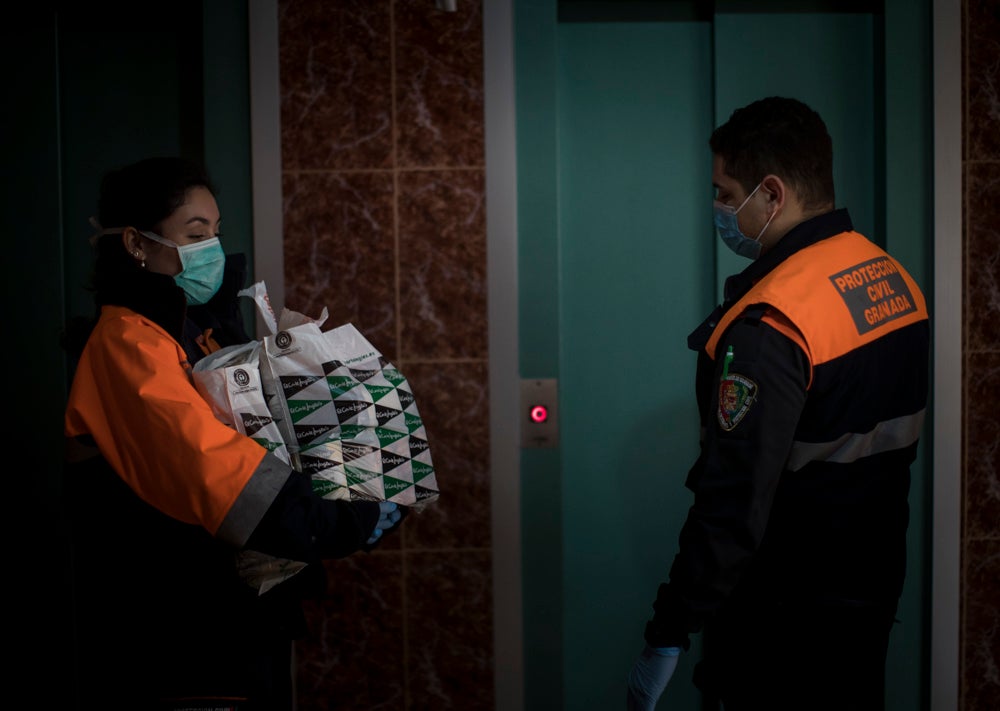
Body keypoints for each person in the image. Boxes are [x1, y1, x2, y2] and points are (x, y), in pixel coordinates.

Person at [63, 156, 405, 711]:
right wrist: (345, 519)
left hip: (240, 617)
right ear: (135, 244)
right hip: (176, 634)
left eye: (217, 233)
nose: (212, 251)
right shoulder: (130, 346)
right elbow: (222, 475)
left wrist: (368, 472)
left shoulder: (198, 332)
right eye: (196, 235)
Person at [626, 97, 930, 710]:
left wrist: (669, 629)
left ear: (771, 193)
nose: (717, 208)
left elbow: (733, 503)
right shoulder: (889, 278)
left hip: (782, 623)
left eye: (723, 191)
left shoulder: (774, 324)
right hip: (869, 596)